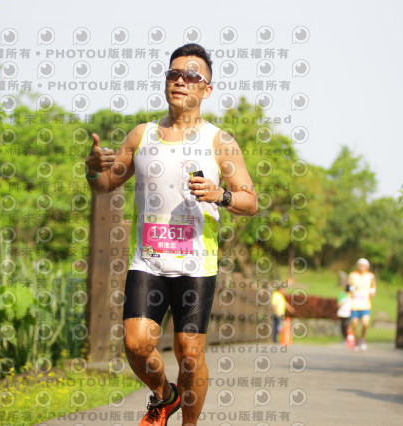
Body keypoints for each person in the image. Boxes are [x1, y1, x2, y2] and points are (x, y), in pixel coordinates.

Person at [85, 43, 258, 426]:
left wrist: (221, 195)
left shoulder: (219, 142)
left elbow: (250, 201)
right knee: (136, 344)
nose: (180, 81)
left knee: (189, 354)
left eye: (191, 76)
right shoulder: (142, 135)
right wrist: (91, 168)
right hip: (148, 261)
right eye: (174, 74)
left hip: (196, 265)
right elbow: (104, 184)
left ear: (206, 89)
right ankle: (166, 395)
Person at [348, 258, 377, 351]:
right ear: (358, 266)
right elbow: (348, 286)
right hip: (355, 305)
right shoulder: (353, 275)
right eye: (360, 265)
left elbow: (374, 285)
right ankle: (356, 342)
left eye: (364, 266)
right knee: (355, 325)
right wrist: (351, 288)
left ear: (367, 267)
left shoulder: (370, 276)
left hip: (365, 305)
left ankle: (362, 338)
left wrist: (373, 291)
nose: (362, 267)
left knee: (365, 323)